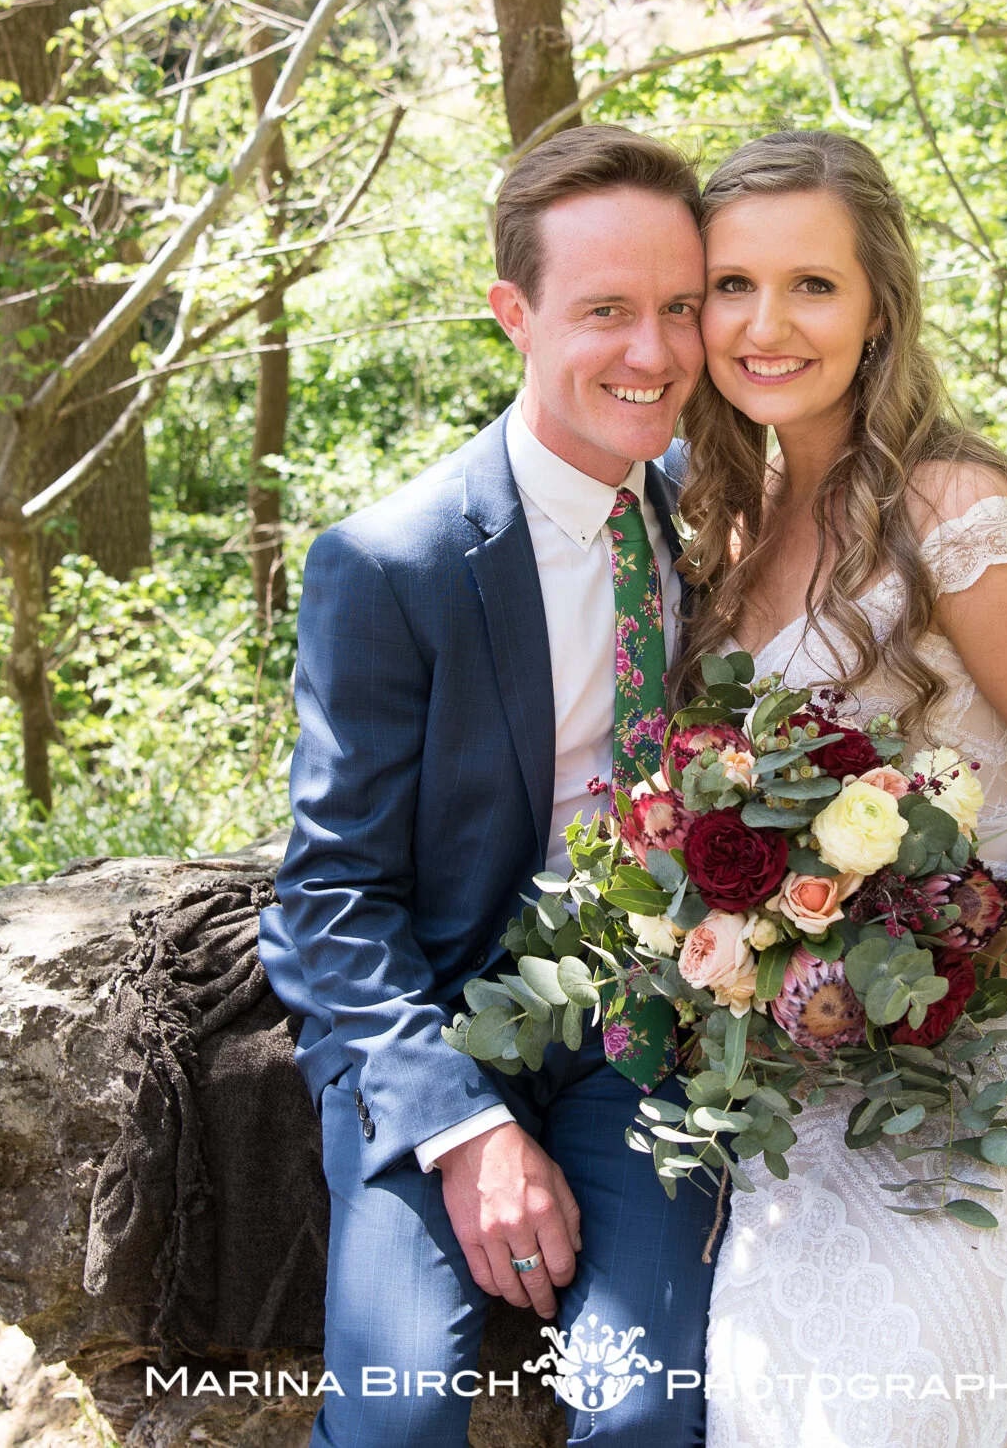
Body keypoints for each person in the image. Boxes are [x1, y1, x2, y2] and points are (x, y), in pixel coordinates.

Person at [680, 131, 1007, 1448]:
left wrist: (926, 998)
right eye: (732, 285)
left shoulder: (959, 514)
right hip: (828, 1066)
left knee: (888, 1416)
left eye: (813, 285)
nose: (766, 323)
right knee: (762, 1404)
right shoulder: (723, 530)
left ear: (880, 308)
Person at [261, 125, 719, 1447]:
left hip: (641, 1039)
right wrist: (462, 1132)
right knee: (398, 1416)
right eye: (606, 312)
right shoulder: (393, 563)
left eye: (680, 308)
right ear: (512, 314)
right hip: (434, 1021)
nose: (654, 351)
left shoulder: (717, 508)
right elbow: (330, 890)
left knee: (642, 1415)